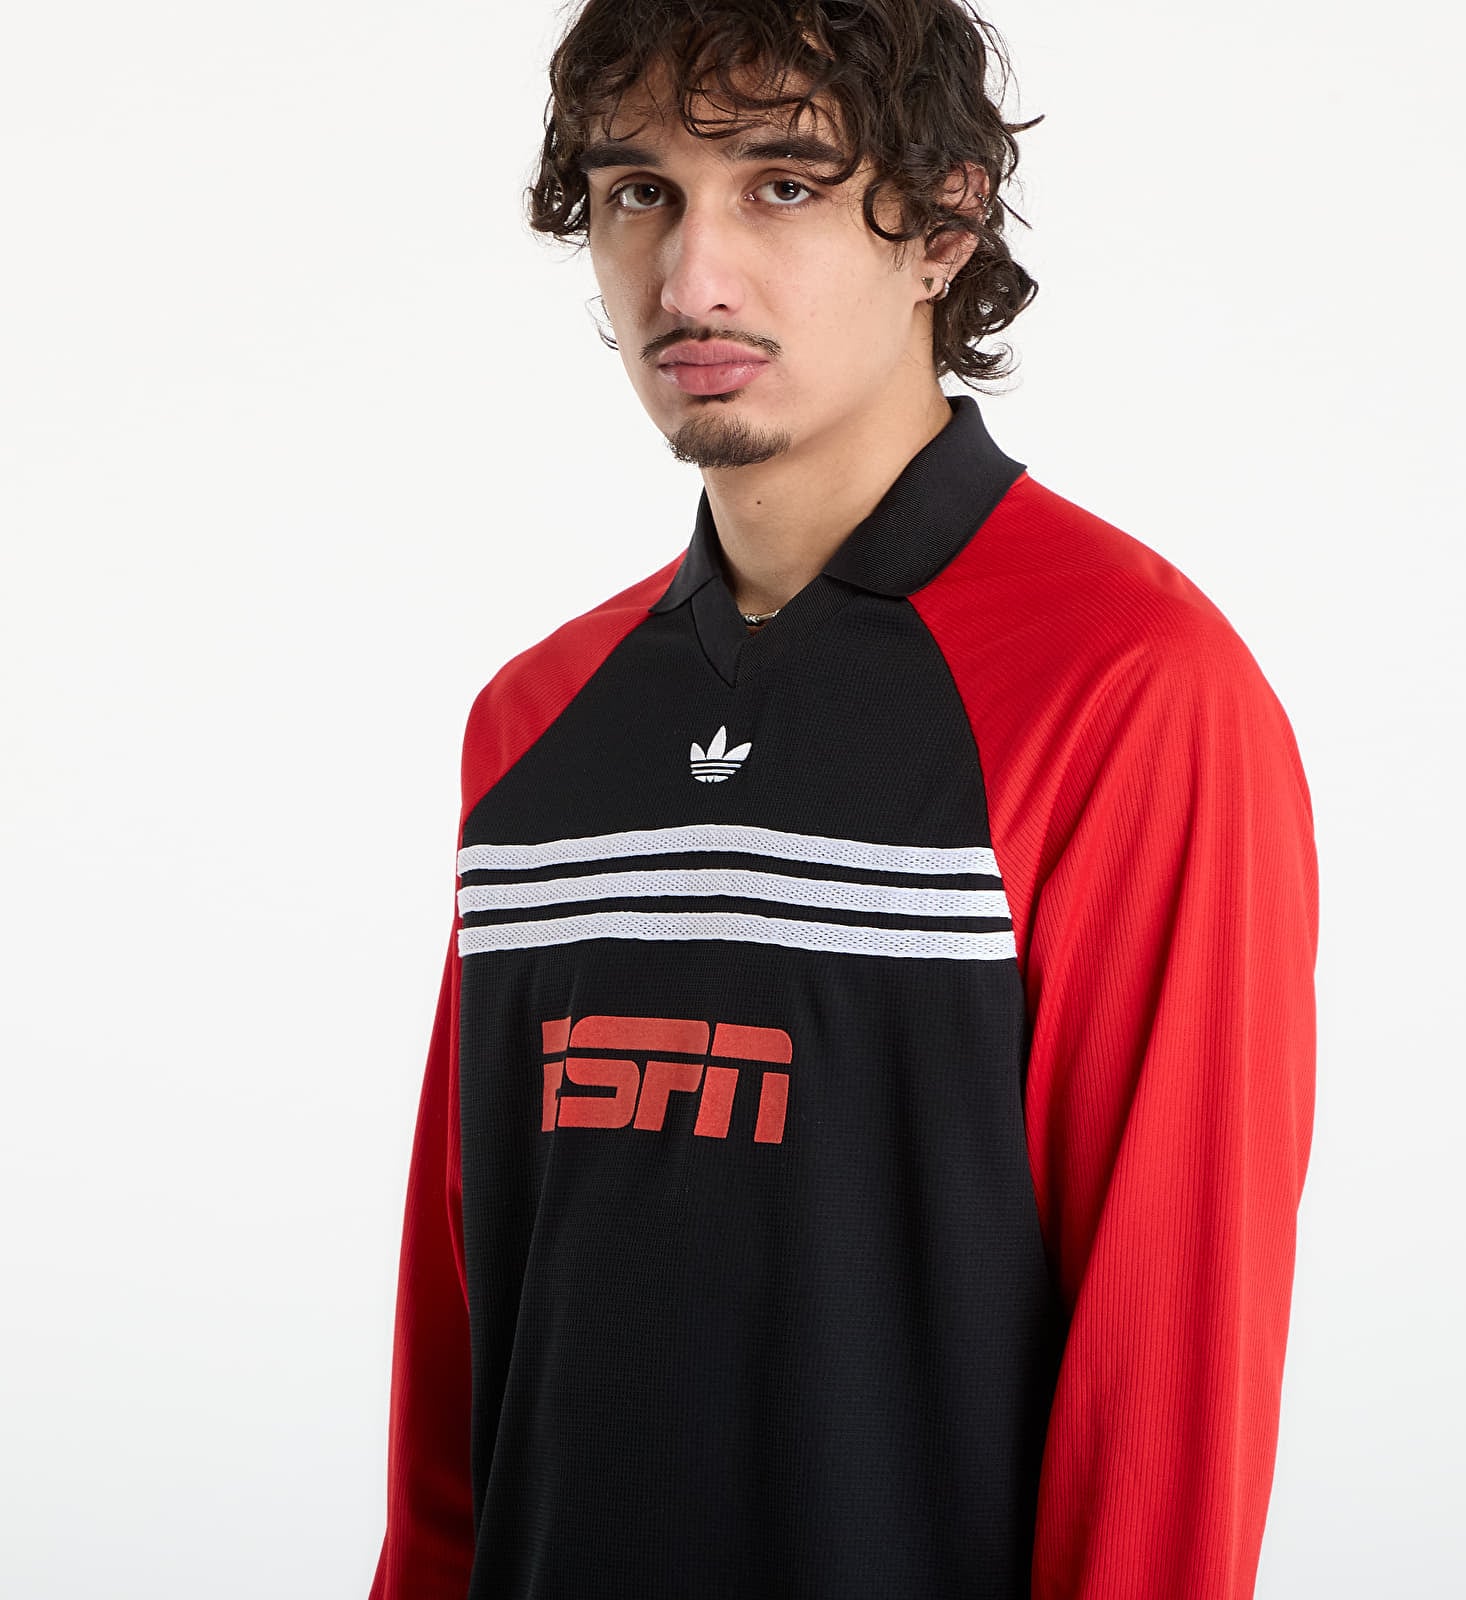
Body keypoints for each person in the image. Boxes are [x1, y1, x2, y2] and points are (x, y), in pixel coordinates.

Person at [367, 3, 1318, 1597]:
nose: (692, 280)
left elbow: (1172, 1361)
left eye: (784, 185)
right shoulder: (534, 726)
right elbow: (464, 1340)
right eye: (639, 192)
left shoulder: (1131, 689)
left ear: (943, 223)